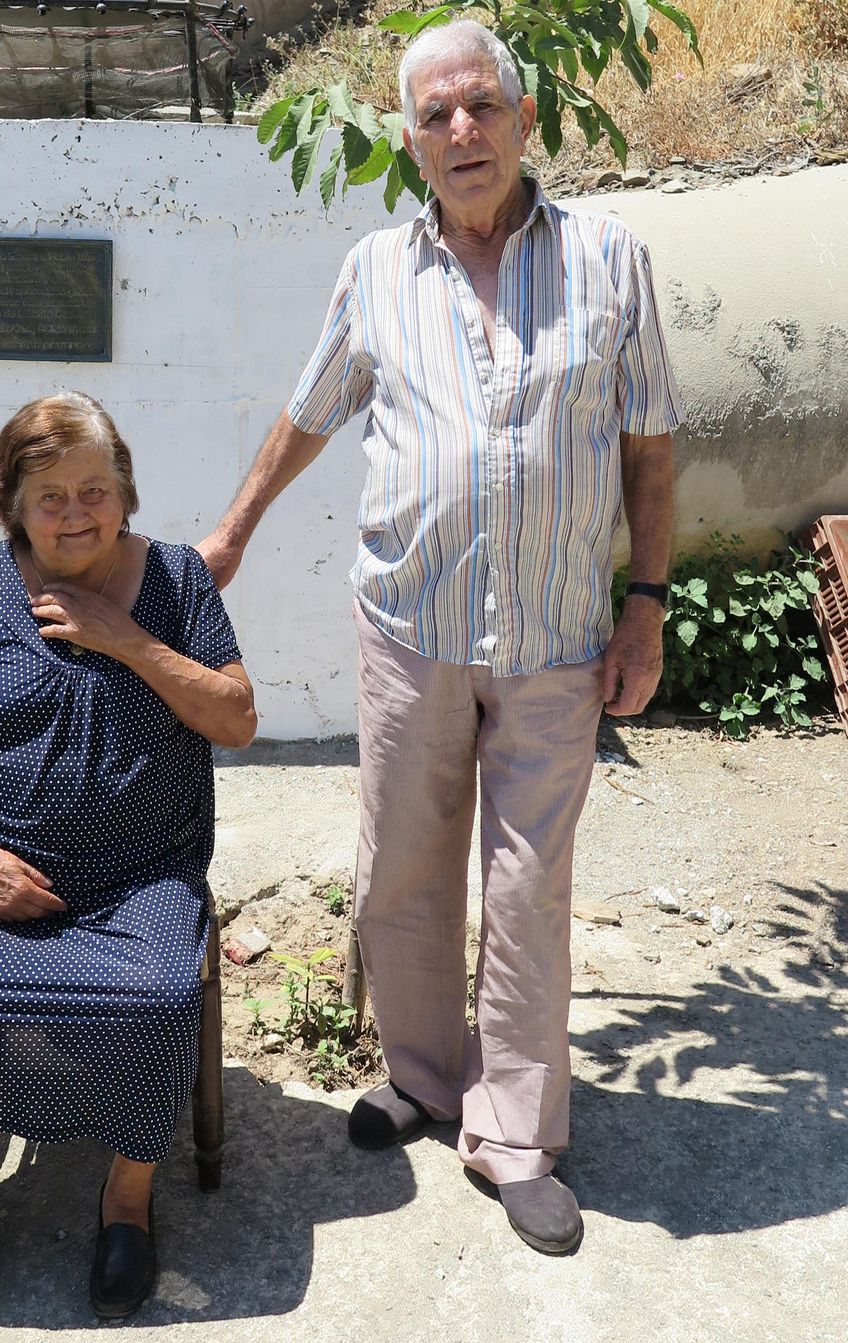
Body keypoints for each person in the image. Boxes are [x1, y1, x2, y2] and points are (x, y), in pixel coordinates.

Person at [199, 20, 681, 1254]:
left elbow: (650, 449)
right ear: (410, 142)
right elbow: (311, 412)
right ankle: (420, 1071)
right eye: (435, 115)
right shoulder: (375, 271)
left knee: (529, 890)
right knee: (403, 864)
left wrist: (648, 605)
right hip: (410, 630)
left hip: (558, 639)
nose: (461, 131)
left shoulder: (611, 261)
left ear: (524, 119)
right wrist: (235, 533)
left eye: (481, 106)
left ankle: (517, 1133)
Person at [0, 392, 255, 1326]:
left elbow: (236, 719)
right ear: (11, 502)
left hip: (141, 876)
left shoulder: (177, 582)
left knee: (158, 997)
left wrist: (124, 638)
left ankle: (126, 1197)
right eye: (46, 494)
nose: (74, 511)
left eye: (94, 488)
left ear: (126, 492)